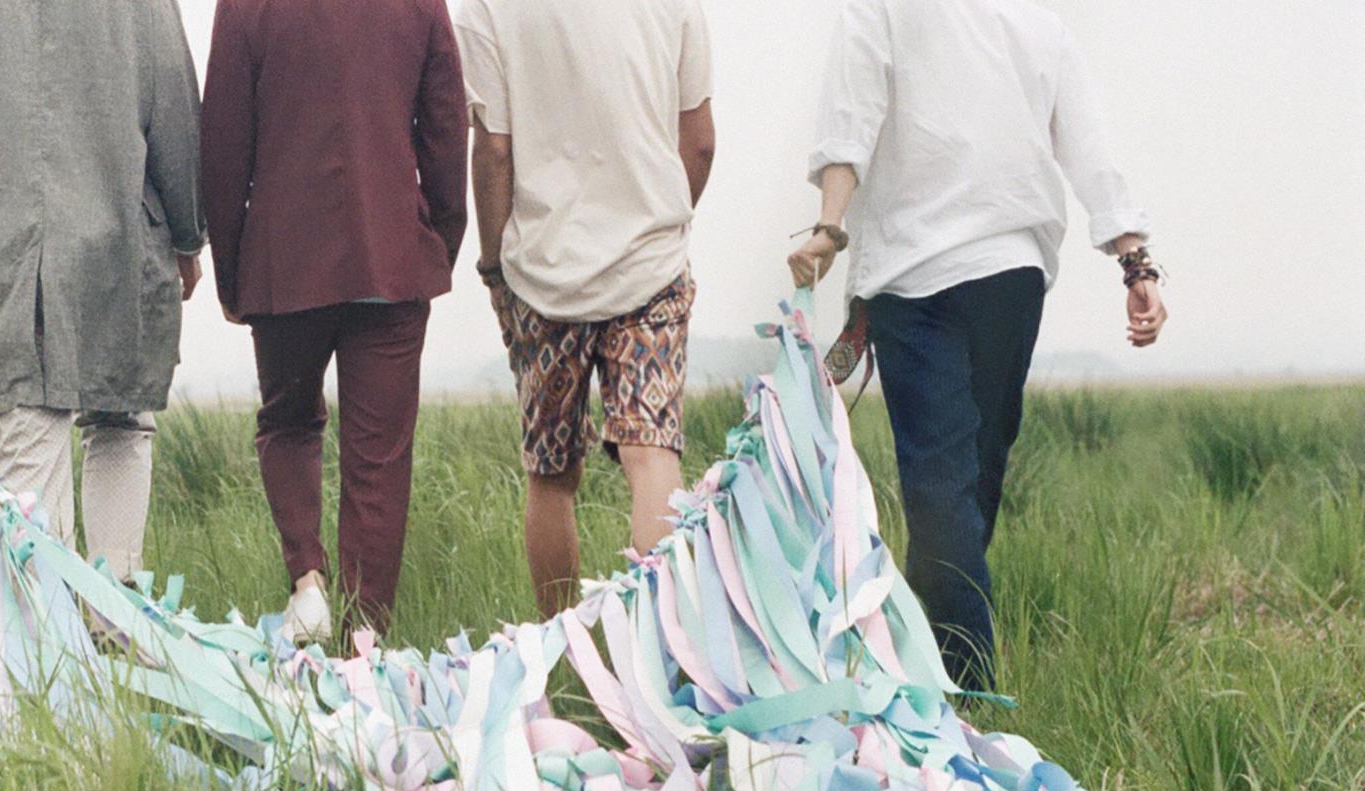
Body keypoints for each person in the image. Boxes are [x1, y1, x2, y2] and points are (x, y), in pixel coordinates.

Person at [788, 0, 1169, 694]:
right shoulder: (1029, 19)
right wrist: (1133, 260)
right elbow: (1089, 147)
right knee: (960, 487)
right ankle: (962, 679)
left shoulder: (1017, 20)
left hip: (941, 275)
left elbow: (848, 120)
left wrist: (832, 225)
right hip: (982, 280)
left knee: (951, 489)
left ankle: (947, 676)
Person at [0, 0, 205, 586]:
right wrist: (188, 234)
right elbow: (175, 112)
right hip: (117, 239)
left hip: (0, 249)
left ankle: (51, 625)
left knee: (31, 420)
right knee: (120, 417)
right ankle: (114, 613)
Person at [200, 0, 468, 641]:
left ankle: (308, 581)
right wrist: (435, 242)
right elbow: (446, 133)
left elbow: (223, 147)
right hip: (391, 257)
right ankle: (365, 641)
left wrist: (233, 273)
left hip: (284, 261)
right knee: (379, 459)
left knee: (288, 422)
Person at [455, 0, 716, 619]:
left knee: (551, 473)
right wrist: (659, 218)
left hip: (543, 272)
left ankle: (563, 649)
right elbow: (700, 142)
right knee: (651, 453)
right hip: (650, 266)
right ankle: (662, 646)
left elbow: (493, 150)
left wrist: (494, 266)